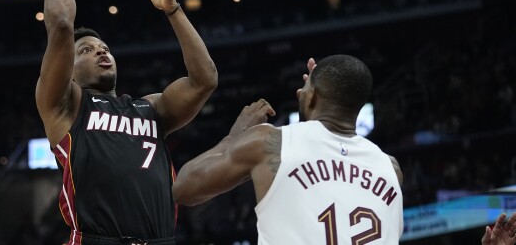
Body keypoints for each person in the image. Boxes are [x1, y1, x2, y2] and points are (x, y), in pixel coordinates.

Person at [22, 0, 218, 245]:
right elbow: (61, 25)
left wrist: (172, 10)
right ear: (66, 70)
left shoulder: (149, 109)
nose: (100, 50)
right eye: (86, 50)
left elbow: (204, 80)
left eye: (103, 46)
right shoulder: (66, 104)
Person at [173, 55, 404, 244]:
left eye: (304, 89)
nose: (299, 93)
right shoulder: (391, 168)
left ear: (313, 98)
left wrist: (234, 137)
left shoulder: (270, 143)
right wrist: (319, 85)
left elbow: (183, 188)